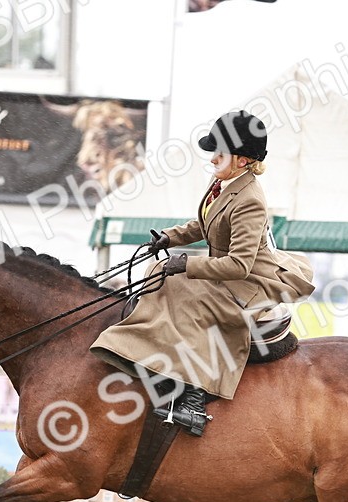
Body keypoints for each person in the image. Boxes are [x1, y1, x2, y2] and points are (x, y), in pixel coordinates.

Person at [90, 111, 315, 436]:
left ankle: (194, 396)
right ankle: (151, 360)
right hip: (226, 274)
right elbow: (204, 224)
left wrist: (187, 265)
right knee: (158, 275)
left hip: (249, 284)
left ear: (240, 160)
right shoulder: (223, 184)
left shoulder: (250, 200)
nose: (212, 159)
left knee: (188, 300)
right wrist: (170, 237)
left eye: (219, 153)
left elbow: (239, 265)